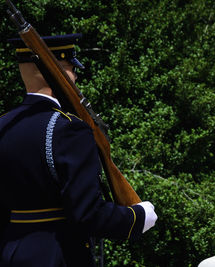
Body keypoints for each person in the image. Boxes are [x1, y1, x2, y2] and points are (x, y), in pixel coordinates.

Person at [0, 34, 157, 267]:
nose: (75, 78)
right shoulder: (69, 129)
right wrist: (137, 217)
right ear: (60, 74)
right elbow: (88, 214)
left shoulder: (4, 125)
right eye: (73, 70)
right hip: (59, 257)